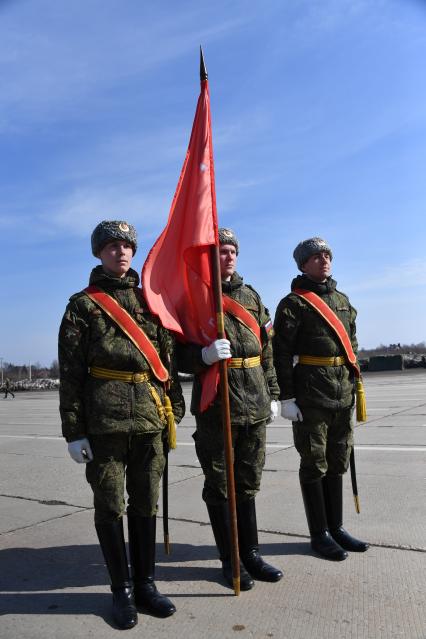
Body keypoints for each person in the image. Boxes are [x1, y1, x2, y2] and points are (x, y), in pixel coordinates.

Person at [58, 220, 185, 629]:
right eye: (112, 245)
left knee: (146, 502)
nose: (121, 252)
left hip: (149, 418)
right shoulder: (83, 306)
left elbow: (166, 363)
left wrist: (174, 411)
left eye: (127, 245)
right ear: (99, 253)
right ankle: (121, 591)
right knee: (110, 505)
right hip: (104, 422)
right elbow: (72, 374)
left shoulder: (152, 299)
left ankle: (146, 584)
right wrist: (74, 431)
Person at [178, 228, 283, 590]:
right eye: (222, 251)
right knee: (221, 484)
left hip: (253, 401)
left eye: (232, 251)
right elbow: (176, 353)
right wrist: (202, 356)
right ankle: (230, 559)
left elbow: (266, 350)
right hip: (216, 405)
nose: (229, 256)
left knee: (249, 482)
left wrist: (272, 392)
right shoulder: (195, 299)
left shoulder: (251, 296)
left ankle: (251, 554)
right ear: (210, 258)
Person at [273, 237, 369, 561]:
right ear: (302, 265)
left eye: (326, 255)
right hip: (311, 395)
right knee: (314, 462)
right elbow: (281, 353)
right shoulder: (293, 303)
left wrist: (355, 384)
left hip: (341, 393)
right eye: (315, 256)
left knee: (338, 459)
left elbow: (351, 344)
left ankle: (336, 527)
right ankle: (319, 534)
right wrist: (286, 397)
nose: (323, 260)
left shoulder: (343, 300)